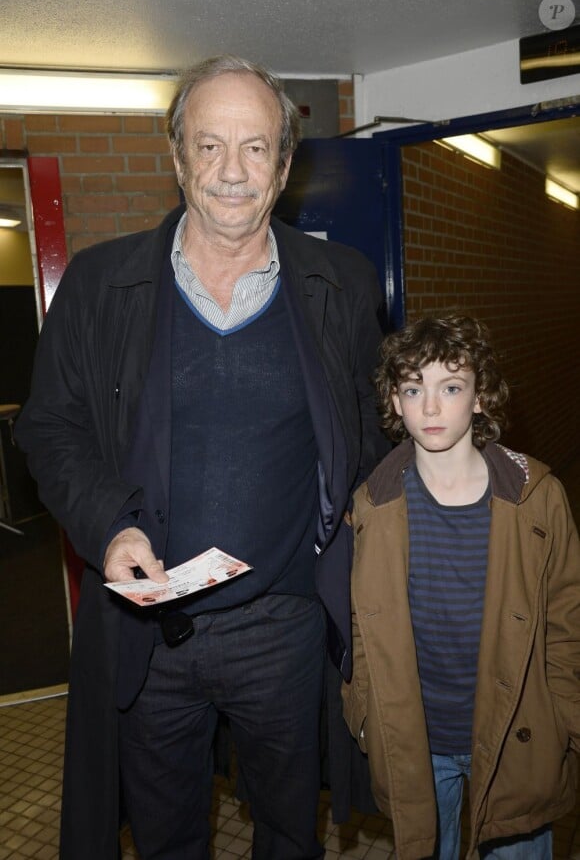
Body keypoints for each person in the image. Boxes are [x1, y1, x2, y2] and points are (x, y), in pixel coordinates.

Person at [16, 55, 387, 860]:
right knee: (166, 833)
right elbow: (49, 428)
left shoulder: (341, 285)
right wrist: (109, 524)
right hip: (152, 637)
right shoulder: (98, 284)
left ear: (285, 166)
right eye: (209, 145)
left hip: (284, 627)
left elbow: (372, 436)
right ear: (177, 157)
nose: (231, 171)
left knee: (291, 831)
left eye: (256, 148)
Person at [341, 313, 580, 860]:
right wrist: (361, 707)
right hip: (417, 736)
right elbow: (357, 620)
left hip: (519, 723)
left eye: (450, 387)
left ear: (478, 398)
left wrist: (565, 714)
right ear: (394, 402)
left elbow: (568, 616)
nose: (429, 407)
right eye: (412, 388)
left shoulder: (536, 498)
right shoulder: (373, 506)